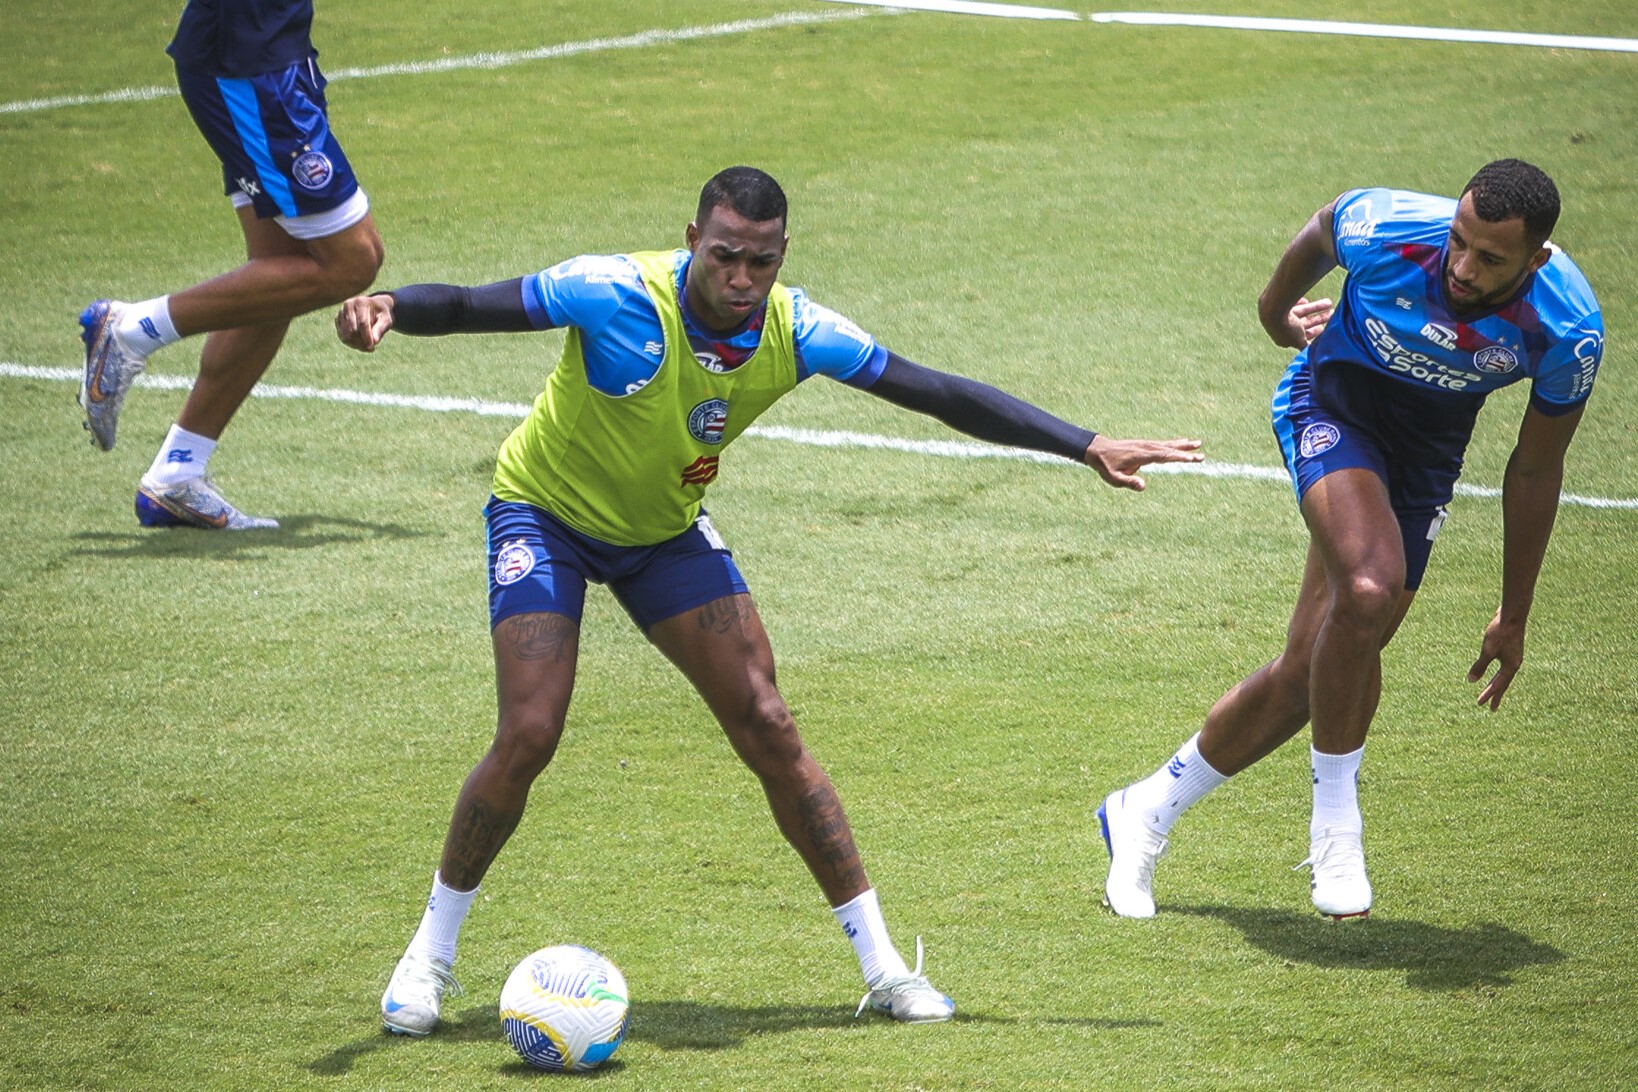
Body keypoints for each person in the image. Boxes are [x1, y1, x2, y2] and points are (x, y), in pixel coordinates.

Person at [334, 166, 1203, 1034]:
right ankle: (428, 961)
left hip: (663, 536)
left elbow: (937, 393)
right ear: (691, 242)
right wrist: (391, 307)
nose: (741, 280)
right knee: (530, 729)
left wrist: (1084, 443)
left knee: (768, 720)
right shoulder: (609, 292)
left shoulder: (798, 330)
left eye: (761, 261)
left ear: (783, 255)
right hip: (544, 515)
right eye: (724, 258)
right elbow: (476, 304)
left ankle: (885, 968)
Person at [1097, 159, 1604, 921]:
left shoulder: (1567, 328)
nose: (1463, 267)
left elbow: (1536, 470)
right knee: (1366, 589)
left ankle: (1145, 807)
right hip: (1331, 401)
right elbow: (1322, 227)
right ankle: (1336, 827)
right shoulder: (1391, 226)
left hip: (1427, 454)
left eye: (1490, 259)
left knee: (1321, 664)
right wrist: (1277, 319)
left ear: (1535, 259)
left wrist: (1515, 613)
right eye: (1458, 243)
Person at [77, 0, 384, 530]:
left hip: (265, 57)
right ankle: (132, 329)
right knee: (352, 261)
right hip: (252, 66)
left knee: (281, 270)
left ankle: (177, 473)